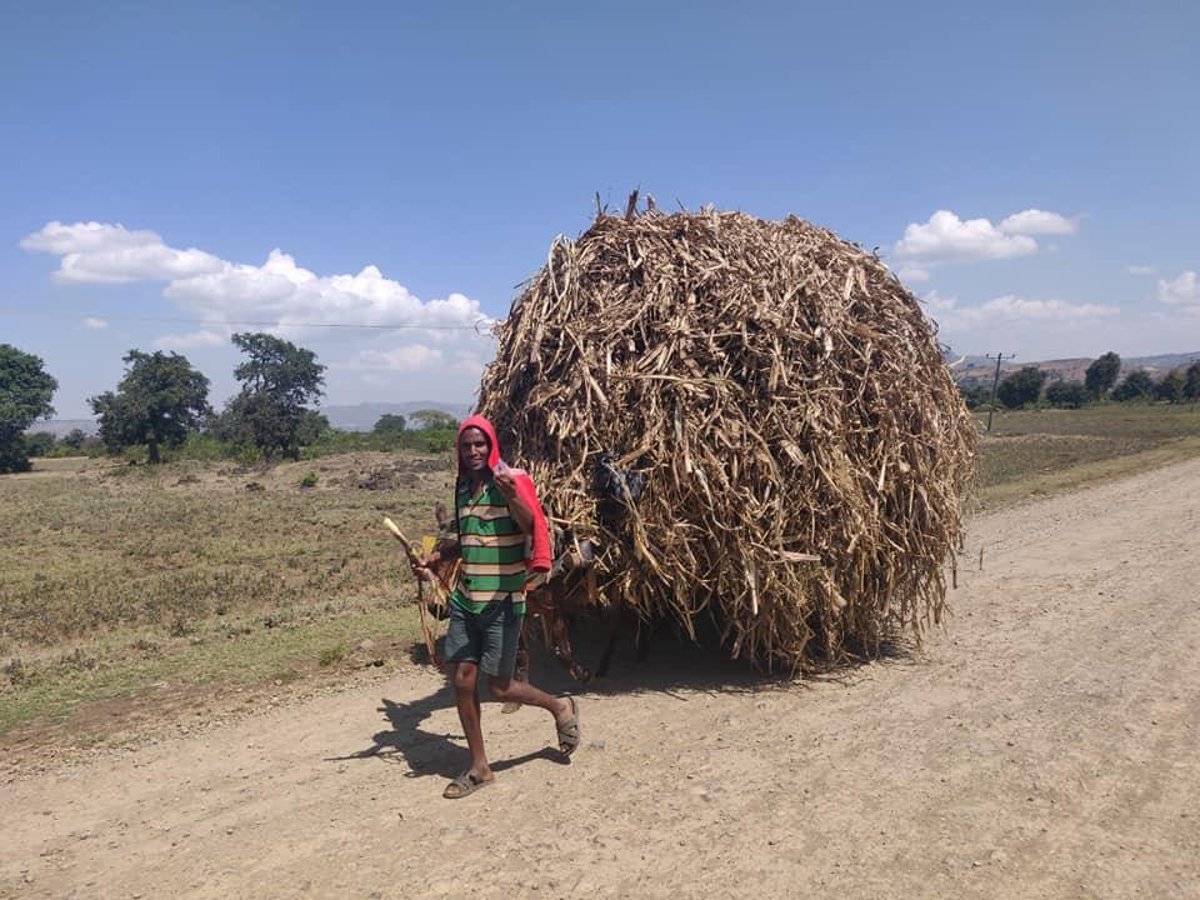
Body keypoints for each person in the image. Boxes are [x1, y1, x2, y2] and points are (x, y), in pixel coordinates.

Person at [415, 414, 580, 799]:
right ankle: (479, 767)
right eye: (466, 445)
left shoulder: (511, 482)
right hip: (466, 599)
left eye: (480, 444)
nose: (473, 451)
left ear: (491, 447)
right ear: (459, 450)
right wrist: (434, 557)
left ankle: (559, 706)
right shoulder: (461, 488)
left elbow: (530, 526)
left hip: (503, 600)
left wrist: (511, 497)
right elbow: (466, 539)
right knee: (463, 680)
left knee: (501, 688)